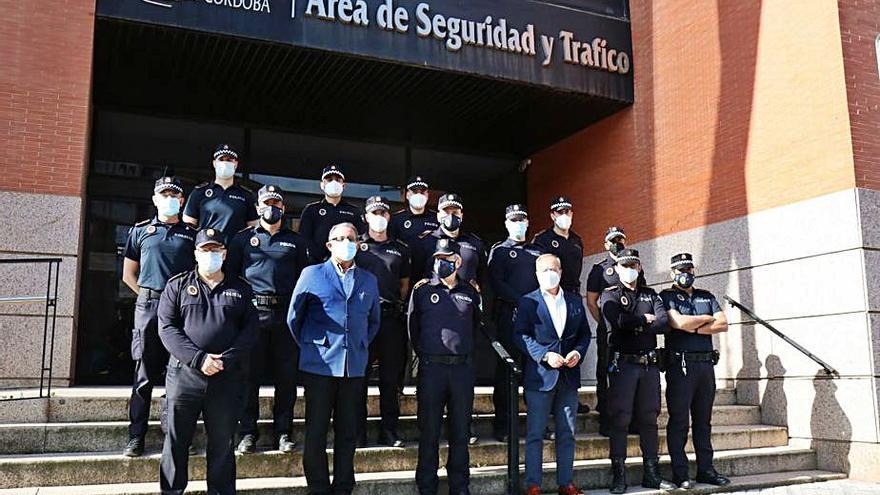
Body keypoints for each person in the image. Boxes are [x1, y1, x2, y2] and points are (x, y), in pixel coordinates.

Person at [157, 228, 259, 495]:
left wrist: (225, 359)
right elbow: (167, 328)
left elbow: (250, 331)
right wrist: (199, 359)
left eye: (215, 250)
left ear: (224, 254)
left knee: (223, 444)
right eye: (205, 250)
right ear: (196, 253)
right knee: (176, 442)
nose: (210, 255)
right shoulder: (177, 285)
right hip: (184, 378)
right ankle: (171, 491)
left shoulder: (241, 288)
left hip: (226, 377)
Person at [287, 222, 381, 495]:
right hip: (320, 366)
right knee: (316, 432)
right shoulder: (311, 274)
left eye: (350, 238)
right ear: (329, 245)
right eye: (339, 238)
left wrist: (358, 345)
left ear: (358, 243)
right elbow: (295, 318)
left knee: (348, 432)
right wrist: (314, 346)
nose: (346, 242)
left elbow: (373, 321)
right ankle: (318, 488)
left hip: (353, 368)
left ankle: (343, 487)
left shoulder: (369, 280)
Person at [226, 185, 310, 454]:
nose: (271, 207)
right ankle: (248, 431)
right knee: (248, 377)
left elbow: (304, 280)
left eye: (276, 202)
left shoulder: (296, 241)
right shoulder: (242, 239)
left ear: (283, 208)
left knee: (286, 379)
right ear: (258, 207)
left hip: (285, 316)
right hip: (253, 315)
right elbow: (231, 277)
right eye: (266, 202)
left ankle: (283, 431)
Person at [120, 176, 197, 457]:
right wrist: (150, 295)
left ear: (182, 201)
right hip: (149, 306)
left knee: (179, 378)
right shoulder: (140, 231)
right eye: (164, 194)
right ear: (154, 199)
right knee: (143, 377)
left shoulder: (191, 234)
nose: (169, 199)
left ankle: (176, 438)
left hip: (181, 311)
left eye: (174, 195)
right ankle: (135, 437)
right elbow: (129, 274)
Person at [408, 238, 482, 495]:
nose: (442, 263)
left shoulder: (470, 292)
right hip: (432, 370)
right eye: (438, 259)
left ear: (458, 262)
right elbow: (413, 329)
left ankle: (459, 485)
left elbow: (475, 328)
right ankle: (427, 485)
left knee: (460, 432)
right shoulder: (422, 290)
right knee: (429, 431)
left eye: (448, 259)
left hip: (461, 370)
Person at [515, 254, 591, 495]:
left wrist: (578, 353)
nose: (550, 273)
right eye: (544, 269)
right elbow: (520, 336)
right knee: (535, 433)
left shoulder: (574, 301)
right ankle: (533, 485)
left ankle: (566, 483)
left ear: (561, 271)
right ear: (537, 274)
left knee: (567, 433)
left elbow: (584, 335)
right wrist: (545, 355)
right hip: (540, 377)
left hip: (568, 377)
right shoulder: (527, 302)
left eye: (554, 268)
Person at [599, 248, 674, 493]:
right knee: (620, 419)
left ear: (639, 267)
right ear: (617, 268)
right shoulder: (609, 295)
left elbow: (664, 324)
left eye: (633, 265)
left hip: (649, 366)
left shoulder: (651, 294)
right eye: (624, 265)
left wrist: (638, 323)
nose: (629, 269)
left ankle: (651, 474)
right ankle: (618, 475)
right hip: (624, 365)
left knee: (649, 419)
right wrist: (644, 320)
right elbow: (617, 321)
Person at [660, 253, 731, 489]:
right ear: (672, 273)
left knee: (704, 421)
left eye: (689, 269)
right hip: (680, 366)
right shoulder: (667, 297)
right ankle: (680, 473)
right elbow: (677, 323)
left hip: (705, 367)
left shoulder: (706, 296)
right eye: (680, 270)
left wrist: (694, 326)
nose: (685, 274)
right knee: (679, 421)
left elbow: (722, 324)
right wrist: (705, 320)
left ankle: (706, 470)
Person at [355, 196, 411, 448]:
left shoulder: (400, 248)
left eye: (383, 213)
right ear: (366, 217)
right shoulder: (356, 246)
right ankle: (358, 431)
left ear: (389, 217)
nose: (379, 217)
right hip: (361, 319)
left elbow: (403, 285)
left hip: (390, 319)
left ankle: (389, 429)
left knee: (390, 379)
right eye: (374, 212)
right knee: (359, 377)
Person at [487, 204, 541, 441]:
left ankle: (538, 422)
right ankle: (504, 426)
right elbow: (496, 283)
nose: (518, 223)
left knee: (537, 369)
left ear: (528, 222)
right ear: (507, 224)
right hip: (510, 315)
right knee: (507, 371)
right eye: (514, 219)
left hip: (537, 318)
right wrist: (521, 301)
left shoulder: (538, 251)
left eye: (522, 219)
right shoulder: (499, 251)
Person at [585, 226, 627, 436]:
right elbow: (592, 301)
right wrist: (604, 322)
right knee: (606, 372)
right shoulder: (599, 269)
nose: (617, 243)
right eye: (613, 240)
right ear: (606, 244)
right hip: (609, 331)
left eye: (620, 239)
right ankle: (606, 418)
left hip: (629, 330)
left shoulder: (633, 265)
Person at [182, 144, 258, 241]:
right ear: (214, 163)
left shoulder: (246, 195)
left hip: (236, 253)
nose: (225, 163)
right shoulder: (199, 193)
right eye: (221, 159)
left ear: (236, 164)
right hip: (207, 251)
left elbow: (253, 229)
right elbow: (188, 227)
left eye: (229, 160)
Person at [298, 164, 366, 261]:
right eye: (329, 180)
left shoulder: (354, 211)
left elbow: (360, 238)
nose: (334, 183)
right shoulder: (312, 210)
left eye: (338, 180)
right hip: (318, 264)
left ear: (344, 185)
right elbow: (304, 239)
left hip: (346, 264)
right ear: (322, 185)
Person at [532, 197, 584, 295]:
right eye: (560, 212)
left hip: (574, 293)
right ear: (553, 216)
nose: (564, 215)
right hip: (553, 293)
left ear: (571, 214)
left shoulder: (577, 240)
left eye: (567, 212)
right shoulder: (543, 239)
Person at [389, 175, 439, 245]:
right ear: (407, 195)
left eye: (422, 192)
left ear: (427, 195)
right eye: (415, 192)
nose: (419, 195)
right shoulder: (396, 219)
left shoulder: (436, 218)